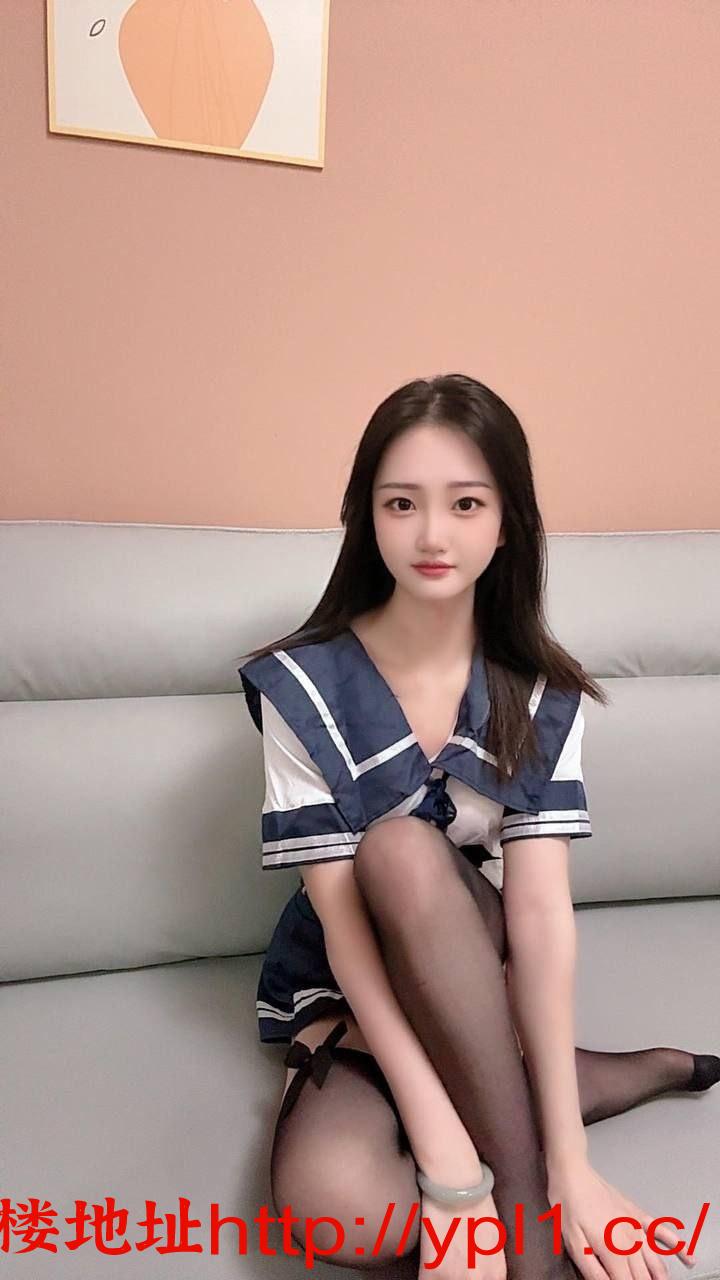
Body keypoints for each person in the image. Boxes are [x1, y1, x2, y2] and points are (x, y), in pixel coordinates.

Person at [237, 374, 719, 1280]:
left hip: (467, 957)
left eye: (466, 503)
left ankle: (533, 1229)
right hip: (349, 986)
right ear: (366, 517)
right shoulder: (301, 686)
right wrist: (453, 1176)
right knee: (339, 1212)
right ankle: (596, 1074)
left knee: (402, 853)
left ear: (507, 524)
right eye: (401, 503)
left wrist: (568, 1166)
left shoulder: (538, 695)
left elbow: (536, 916)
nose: (432, 535)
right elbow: (343, 930)